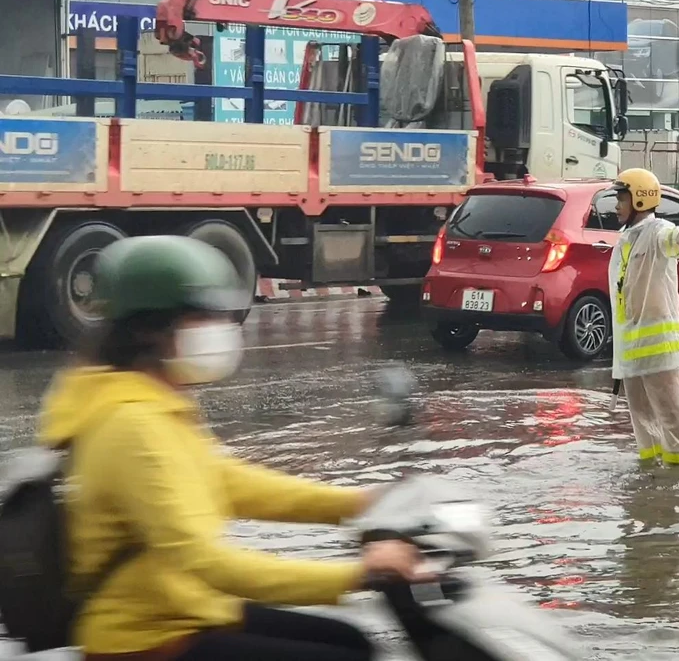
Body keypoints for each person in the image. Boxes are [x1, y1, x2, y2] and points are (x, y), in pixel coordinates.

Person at [38, 235, 425, 661]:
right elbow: (209, 562)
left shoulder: (148, 401)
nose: (221, 329)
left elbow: (227, 482)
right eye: (201, 317)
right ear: (149, 328)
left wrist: (359, 502)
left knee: (353, 642)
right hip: (147, 639)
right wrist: (359, 574)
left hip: (185, 611)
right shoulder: (131, 422)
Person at [608, 168, 679, 466]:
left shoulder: (655, 230)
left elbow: (670, 237)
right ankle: (650, 477)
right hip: (631, 352)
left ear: (639, 199)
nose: (617, 205)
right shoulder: (626, 240)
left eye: (621, 198)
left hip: (659, 351)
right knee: (643, 422)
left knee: (673, 416)